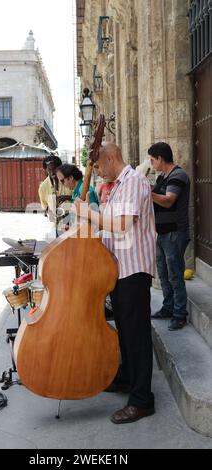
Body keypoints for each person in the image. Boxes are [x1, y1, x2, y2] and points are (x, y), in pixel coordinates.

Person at [73, 142, 156, 425]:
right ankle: (127, 377)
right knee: (125, 332)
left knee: (137, 336)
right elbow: (108, 226)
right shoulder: (116, 185)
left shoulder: (133, 181)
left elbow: (121, 225)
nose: (96, 171)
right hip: (118, 271)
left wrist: (88, 213)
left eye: (97, 165)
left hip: (133, 271)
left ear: (110, 158)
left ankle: (142, 400)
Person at [148, 142, 190, 331]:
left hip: (175, 233)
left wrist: (148, 192)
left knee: (174, 275)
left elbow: (168, 200)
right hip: (163, 233)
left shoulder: (178, 175)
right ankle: (168, 307)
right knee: (163, 274)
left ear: (160, 158)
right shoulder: (162, 177)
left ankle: (180, 315)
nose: (151, 163)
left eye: (152, 159)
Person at [38, 156, 72, 222]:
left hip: (73, 218)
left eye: (54, 169)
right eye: (49, 170)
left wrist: (68, 197)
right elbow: (45, 207)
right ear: (46, 170)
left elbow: (79, 199)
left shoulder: (69, 181)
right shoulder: (42, 188)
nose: (52, 172)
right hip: (56, 222)